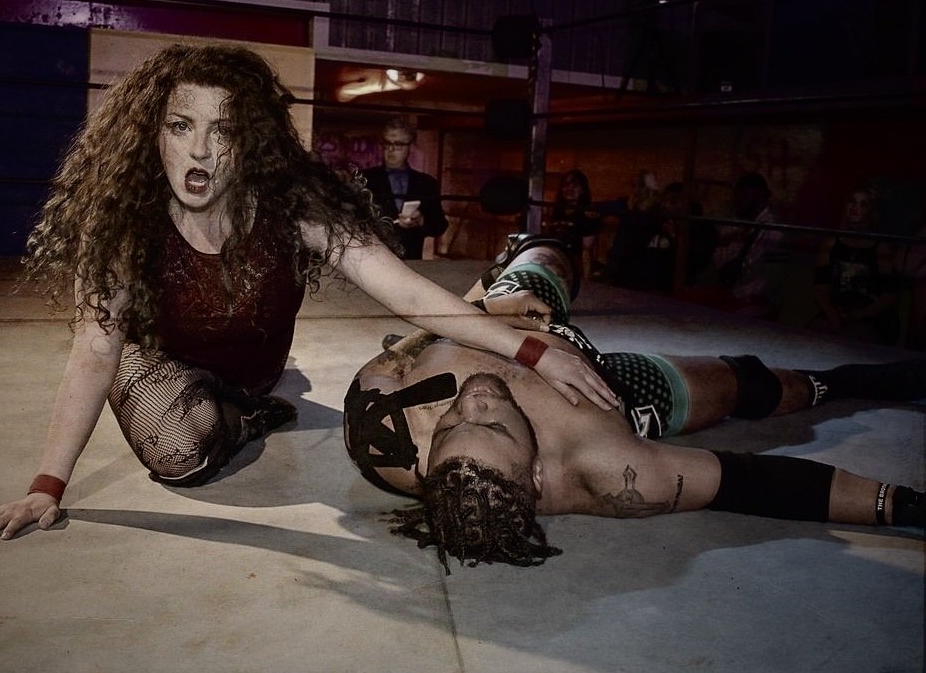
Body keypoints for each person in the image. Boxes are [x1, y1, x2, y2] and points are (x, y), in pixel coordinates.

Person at [0, 44, 618, 541]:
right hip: (165, 367)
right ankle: (231, 416)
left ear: (251, 141)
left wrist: (532, 353)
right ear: (150, 132)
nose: (201, 152)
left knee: (220, 415)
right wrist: (48, 485)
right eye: (181, 126)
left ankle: (250, 410)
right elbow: (94, 352)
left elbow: (406, 291)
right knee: (178, 454)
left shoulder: (291, 205)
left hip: (255, 372)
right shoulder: (124, 224)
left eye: (224, 130)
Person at [344, 237, 925, 572]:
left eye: (450, 426)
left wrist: (482, 312)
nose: (472, 402)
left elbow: (409, 336)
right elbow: (754, 481)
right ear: (539, 472)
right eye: (493, 425)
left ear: (429, 461)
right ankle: (845, 381)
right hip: (608, 388)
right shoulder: (609, 473)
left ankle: (517, 253)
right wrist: (902, 506)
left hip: (501, 324)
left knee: (547, 259)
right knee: (754, 387)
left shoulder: (383, 435)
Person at [685, 172, 787, 317]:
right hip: (733, 292)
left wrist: (734, 293)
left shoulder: (775, 230)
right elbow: (721, 262)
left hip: (760, 300)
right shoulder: (740, 224)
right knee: (685, 301)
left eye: (742, 195)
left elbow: (770, 281)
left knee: (711, 315)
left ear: (759, 195)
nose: (736, 201)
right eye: (737, 195)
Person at [811, 187, 901, 344]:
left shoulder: (881, 248)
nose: (855, 208)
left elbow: (889, 295)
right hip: (836, 312)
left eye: (863, 204)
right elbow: (820, 288)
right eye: (852, 201)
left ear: (871, 211)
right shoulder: (831, 244)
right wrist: (832, 314)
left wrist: (859, 315)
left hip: (870, 317)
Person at [360, 118, 448, 260]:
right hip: (373, 260)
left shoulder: (425, 183)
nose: (391, 149)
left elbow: (440, 225)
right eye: (387, 143)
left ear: (411, 148)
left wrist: (420, 221)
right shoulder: (364, 179)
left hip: (410, 261)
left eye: (398, 144)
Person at [546, 169, 602, 278]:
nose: (569, 188)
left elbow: (587, 249)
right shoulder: (557, 211)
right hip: (553, 262)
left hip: (574, 266)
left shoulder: (587, 214)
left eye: (575, 185)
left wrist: (586, 277)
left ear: (582, 190)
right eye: (566, 185)